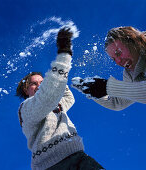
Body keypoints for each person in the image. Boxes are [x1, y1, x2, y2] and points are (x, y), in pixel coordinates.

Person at [16, 28, 104, 170]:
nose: (39, 86)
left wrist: (60, 84)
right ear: (26, 90)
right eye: (34, 83)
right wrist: (64, 55)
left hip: (79, 157)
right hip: (52, 164)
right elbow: (47, 95)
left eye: (42, 82)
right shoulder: (26, 108)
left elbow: (68, 98)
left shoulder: (54, 103)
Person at [72, 26, 146, 112]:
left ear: (132, 40)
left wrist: (107, 87)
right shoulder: (132, 73)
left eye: (118, 53)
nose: (119, 62)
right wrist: (94, 91)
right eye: (114, 59)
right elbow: (118, 102)